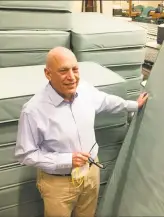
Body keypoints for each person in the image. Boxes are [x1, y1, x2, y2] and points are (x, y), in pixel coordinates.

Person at [15, 47, 149, 217]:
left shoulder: (84, 89)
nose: (71, 77)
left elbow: (106, 101)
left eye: (75, 69)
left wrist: (133, 105)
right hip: (59, 183)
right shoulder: (33, 111)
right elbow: (25, 154)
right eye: (63, 71)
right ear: (48, 74)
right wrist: (67, 160)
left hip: (91, 171)